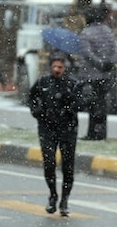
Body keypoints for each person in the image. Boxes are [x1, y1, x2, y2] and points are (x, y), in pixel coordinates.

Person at [27, 51, 83, 216]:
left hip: (67, 129)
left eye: (60, 67)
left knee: (68, 166)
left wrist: (70, 106)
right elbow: (31, 98)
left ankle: (65, 200)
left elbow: (82, 102)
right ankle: (52, 194)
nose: (57, 70)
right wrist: (37, 111)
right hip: (47, 128)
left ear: (65, 68)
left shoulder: (73, 84)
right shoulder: (43, 82)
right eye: (55, 66)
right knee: (49, 162)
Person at [78, 4, 117, 140]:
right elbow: (114, 49)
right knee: (102, 104)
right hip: (105, 75)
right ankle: (101, 132)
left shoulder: (86, 33)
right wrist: (108, 63)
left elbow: (87, 54)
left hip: (91, 75)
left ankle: (92, 133)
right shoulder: (108, 31)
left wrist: (99, 63)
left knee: (92, 105)